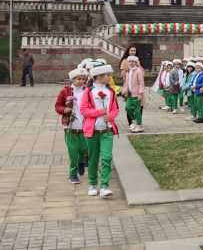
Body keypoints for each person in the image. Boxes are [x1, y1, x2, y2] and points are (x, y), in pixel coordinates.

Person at [80, 63, 119, 198]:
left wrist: (111, 116)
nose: (110, 77)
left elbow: (115, 108)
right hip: (93, 131)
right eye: (108, 75)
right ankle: (92, 184)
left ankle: (104, 187)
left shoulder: (111, 92)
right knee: (93, 159)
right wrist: (99, 112)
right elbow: (83, 110)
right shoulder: (88, 91)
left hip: (107, 131)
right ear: (99, 76)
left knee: (107, 158)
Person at [54, 67, 88, 184]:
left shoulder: (87, 90)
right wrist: (65, 110)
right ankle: (73, 174)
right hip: (70, 126)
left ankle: (81, 161)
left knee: (84, 148)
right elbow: (57, 106)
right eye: (78, 79)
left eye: (83, 79)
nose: (81, 81)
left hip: (85, 126)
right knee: (73, 151)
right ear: (72, 79)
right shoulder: (65, 91)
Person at [124, 55, 145, 133]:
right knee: (127, 108)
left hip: (136, 94)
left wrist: (140, 94)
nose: (131, 63)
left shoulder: (139, 71)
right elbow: (127, 83)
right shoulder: (128, 71)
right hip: (129, 94)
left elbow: (141, 83)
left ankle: (139, 125)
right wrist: (125, 91)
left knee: (137, 110)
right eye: (130, 61)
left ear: (136, 62)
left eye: (133, 61)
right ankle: (135, 120)